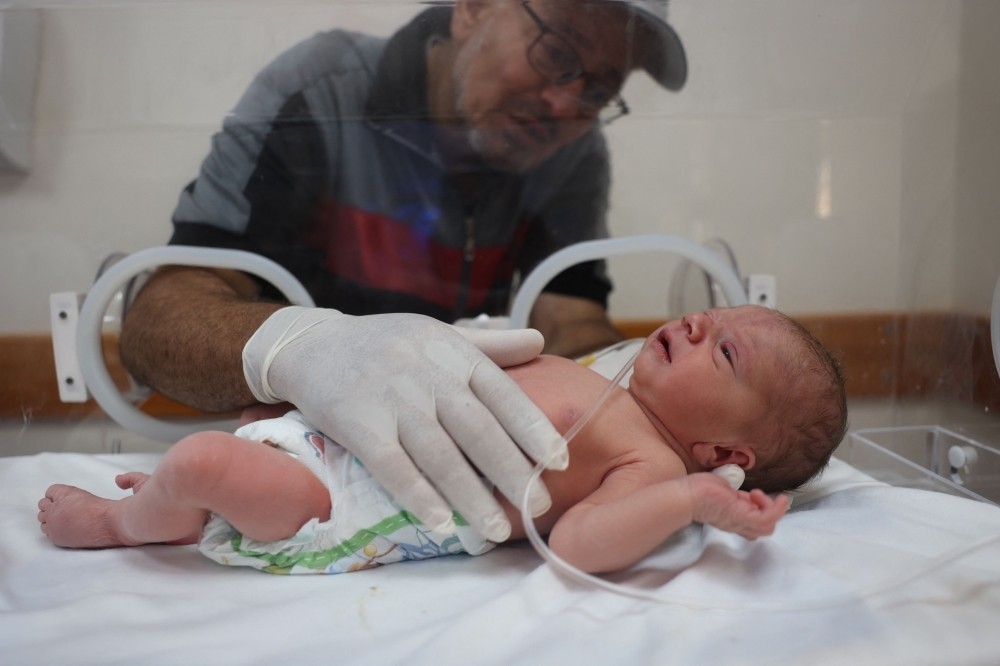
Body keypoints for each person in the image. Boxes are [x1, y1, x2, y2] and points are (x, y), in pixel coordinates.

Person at [118, 0, 689, 544]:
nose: (566, 105)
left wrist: (658, 411)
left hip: (444, 491)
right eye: (558, 53)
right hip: (296, 458)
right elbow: (161, 315)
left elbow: (570, 318)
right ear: (471, 9)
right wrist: (304, 348)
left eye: (598, 89)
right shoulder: (323, 90)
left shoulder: (572, 152)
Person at [42, 306, 848, 575]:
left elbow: (583, 546)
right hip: (346, 439)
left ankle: (121, 525)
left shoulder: (653, 461)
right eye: (715, 317)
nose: (700, 324)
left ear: (726, 456)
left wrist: (690, 501)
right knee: (234, 447)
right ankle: (174, 504)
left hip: (346, 506)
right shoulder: (597, 372)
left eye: (727, 352)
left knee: (198, 464)